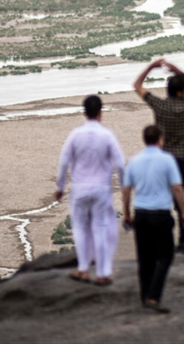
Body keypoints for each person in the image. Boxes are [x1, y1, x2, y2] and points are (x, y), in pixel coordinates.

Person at [54, 94, 125, 286]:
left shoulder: (75, 134)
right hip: (101, 189)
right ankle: (102, 273)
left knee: (80, 227)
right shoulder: (107, 135)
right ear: (100, 112)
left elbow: (64, 162)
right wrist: (123, 186)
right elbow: (120, 163)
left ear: (84, 112)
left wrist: (60, 187)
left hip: (79, 188)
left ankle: (83, 269)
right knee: (100, 228)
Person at [134, 58, 184, 254]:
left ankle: (162, 241)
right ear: (181, 91)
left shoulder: (159, 105)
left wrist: (150, 67)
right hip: (179, 160)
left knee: (160, 199)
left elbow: (137, 85)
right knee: (180, 199)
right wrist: (177, 70)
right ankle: (183, 241)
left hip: (160, 159)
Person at [122, 125, 184, 313]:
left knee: (144, 257)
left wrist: (127, 213)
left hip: (141, 213)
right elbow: (177, 188)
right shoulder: (167, 159)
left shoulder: (134, 161)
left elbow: (126, 190)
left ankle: (145, 295)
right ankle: (153, 296)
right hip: (160, 213)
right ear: (160, 139)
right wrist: (183, 212)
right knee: (166, 256)